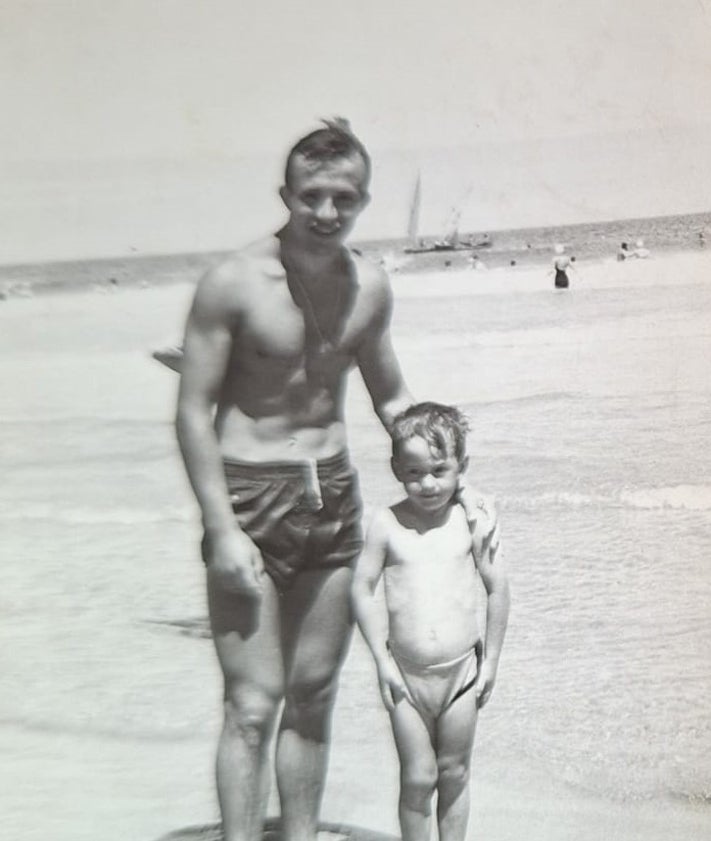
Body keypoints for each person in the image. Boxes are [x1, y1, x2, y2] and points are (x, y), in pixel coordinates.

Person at [174, 120, 498, 841]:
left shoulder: (369, 285)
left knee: (313, 694)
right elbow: (193, 411)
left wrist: (449, 475)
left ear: (363, 199)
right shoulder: (231, 283)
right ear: (285, 193)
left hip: (333, 493)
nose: (326, 212)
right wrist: (222, 526)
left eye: (343, 199)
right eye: (312, 196)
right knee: (252, 703)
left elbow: (390, 397)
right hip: (250, 494)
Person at [351, 402, 510, 841]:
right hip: (406, 677)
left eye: (440, 470)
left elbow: (498, 589)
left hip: (461, 673)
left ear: (462, 468)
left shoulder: (472, 521)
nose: (427, 483)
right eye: (414, 472)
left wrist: (492, 661)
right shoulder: (386, 523)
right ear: (396, 468)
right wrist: (381, 662)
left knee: (454, 773)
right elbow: (361, 589)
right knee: (418, 779)